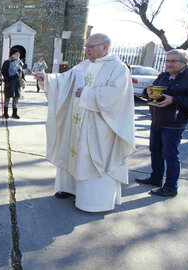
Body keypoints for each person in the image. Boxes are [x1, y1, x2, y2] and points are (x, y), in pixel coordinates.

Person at [36, 33, 135, 212]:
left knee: (91, 158)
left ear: (105, 47)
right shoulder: (84, 65)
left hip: (100, 126)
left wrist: (89, 94)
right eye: (86, 47)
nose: (87, 50)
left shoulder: (118, 68)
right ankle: (69, 188)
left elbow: (118, 96)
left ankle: (92, 201)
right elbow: (65, 80)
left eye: (91, 46)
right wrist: (47, 79)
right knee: (72, 151)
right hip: (76, 121)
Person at [136, 49, 188, 197]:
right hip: (157, 120)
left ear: (184, 63)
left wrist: (174, 100)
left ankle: (170, 187)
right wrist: (147, 92)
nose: (168, 64)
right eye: (167, 61)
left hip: (174, 123)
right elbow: (149, 91)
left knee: (170, 155)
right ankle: (156, 178)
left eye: (173, 61)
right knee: (155, 151)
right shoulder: (163, 76)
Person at [1, 48, 24, 119]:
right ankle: (5, 113)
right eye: (16, 54)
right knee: (7, 98)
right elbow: (3, 72)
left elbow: (22, 73)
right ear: (12, 55)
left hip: (17, 83)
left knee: (16, 98)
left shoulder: (20, 62)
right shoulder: (7, 62)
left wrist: (23, 77)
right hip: (9, 82)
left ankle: (14, 113)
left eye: (18, 54)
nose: (17, 55)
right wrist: (6, 80)